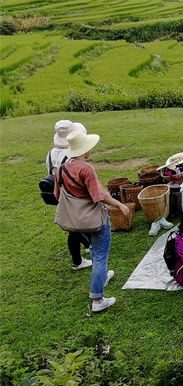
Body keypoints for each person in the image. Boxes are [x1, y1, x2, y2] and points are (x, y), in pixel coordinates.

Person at [54, 128, 130, 313]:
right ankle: (98, 299)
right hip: (95, 219)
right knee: (100, 256)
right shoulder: (86, 169)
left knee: (96, 253)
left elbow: (57, 195)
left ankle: (101, 277)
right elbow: (98, 195)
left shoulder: (60, 169)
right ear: (85, 150)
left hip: (77, 220)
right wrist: (120, 205)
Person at [47, 120, 92, 270]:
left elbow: (49, 174)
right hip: (73, 195)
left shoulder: (51, 153)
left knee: (73, 225)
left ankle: (86, 247)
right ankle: (78, 260)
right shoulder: (70, 156)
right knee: (74, 227)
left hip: (59, 193)